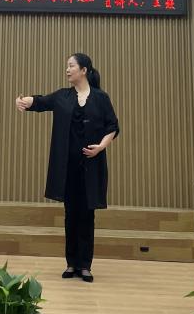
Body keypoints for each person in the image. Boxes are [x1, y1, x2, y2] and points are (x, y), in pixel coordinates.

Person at [15, 52, 120, 283]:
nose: (67, 70)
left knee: (87, 215)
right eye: (67, 66)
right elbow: (41, 101)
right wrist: (24, 101)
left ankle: (85, 265)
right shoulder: (63, 96)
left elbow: (113, 126)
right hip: (67, 169)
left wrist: (100, 147)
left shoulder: (101, 98)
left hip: (91, 167)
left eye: (71, 66)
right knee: (70, 214)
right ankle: (71, 263)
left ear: (84, 70)